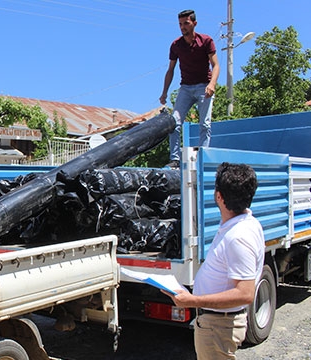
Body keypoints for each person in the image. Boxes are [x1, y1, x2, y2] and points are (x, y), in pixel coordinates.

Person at [165, 162, 265, 359]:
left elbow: (245, 294)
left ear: (219, 196)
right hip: (217, 322)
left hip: (219, 325)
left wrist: (192, 301)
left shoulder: (238, 237)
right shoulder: (240, 224)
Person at [159, 9, 220, 169]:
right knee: (174, 122)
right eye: (180, 24)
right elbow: (171, 69)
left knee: (205, 124)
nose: (182, 27)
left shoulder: (206, 41)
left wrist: (212, 84)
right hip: (185, 88)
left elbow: (216, 65)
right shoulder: (176, 45)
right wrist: (164, 92)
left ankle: (203, 156)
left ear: (194, 23)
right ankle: (175, 159)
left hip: (203, 86)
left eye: (186, 23)